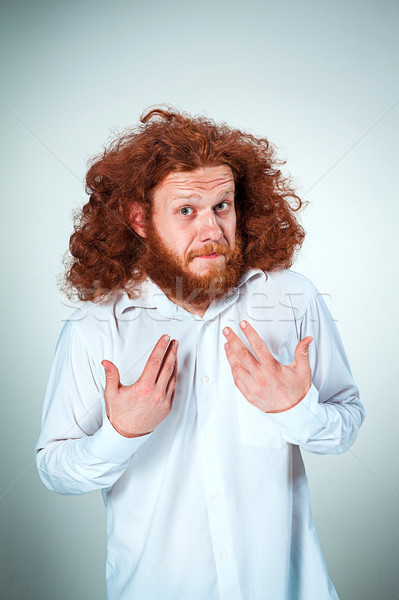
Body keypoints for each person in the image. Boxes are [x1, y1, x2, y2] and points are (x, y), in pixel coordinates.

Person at [35, 107, 365, 600]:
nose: (211, 229)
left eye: (222, 206)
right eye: (187, 210)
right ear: (141, 219)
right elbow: (53, 470)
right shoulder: (95, 329)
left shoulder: (292, 298)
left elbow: (347, 423)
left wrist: (296, 410)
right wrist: (120, 433)